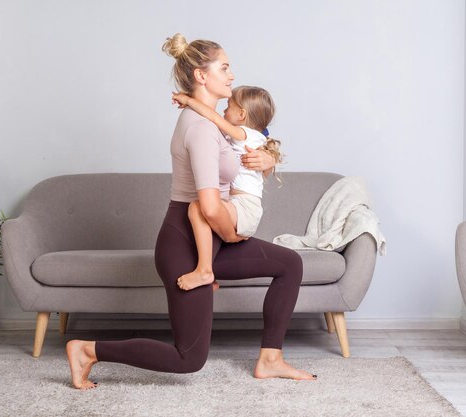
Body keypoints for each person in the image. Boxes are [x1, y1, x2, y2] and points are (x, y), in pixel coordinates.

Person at [66, 33, 316, 390]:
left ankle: (271, 359)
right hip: (186, 243)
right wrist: (229, 237)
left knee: (289, 263)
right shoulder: (201, 128)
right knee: (189, 358)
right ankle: (88, 350)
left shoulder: (212, 122)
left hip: (209, 240)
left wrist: (268, 161)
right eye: (225, 67)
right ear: (202, 75)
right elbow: (209, 206)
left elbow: (248, 146)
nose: (231, 75)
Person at [171, 86, 283, 291]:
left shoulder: (245, 134)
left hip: (245, 208)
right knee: (207, 217)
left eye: (229, 106)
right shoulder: (249, 135)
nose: (224, 109)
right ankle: (210, 273)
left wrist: (188, 100)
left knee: (197, 209)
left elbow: (213, 117)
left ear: (242, 115)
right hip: (240, 205)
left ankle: (205, 270)